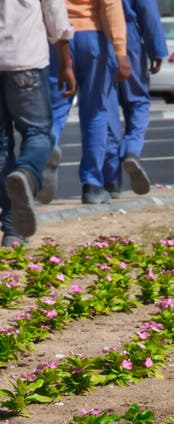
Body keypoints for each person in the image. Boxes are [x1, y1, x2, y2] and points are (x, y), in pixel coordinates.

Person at [0, 0, 75, 246]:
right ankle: (28, 173)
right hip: (26, 59)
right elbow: (55, 14)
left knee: (1, 147)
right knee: (39, 134)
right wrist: (66, 63)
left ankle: (13, 231)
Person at [43, 0, 132, 206]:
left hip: (59, 40)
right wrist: (120, 51)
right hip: (93, 37)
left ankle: (47, 150)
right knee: (95, 113)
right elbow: (111, 6)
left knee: (55, 109)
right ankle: (92, 185)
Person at [103, 0, 167, 198]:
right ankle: (131, 151)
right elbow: (148, 12)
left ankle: (111, 180)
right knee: (138, 101)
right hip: (128, 39)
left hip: (100, 38)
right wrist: (157, 50)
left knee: (107, 110)